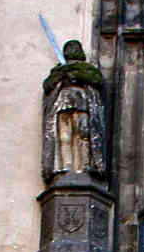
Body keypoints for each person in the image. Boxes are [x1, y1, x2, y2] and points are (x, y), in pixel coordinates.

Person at [42, 40, 106, 181]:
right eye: (70, 48)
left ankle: (84, 166)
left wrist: (77, 75)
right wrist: (62, 75)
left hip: (82, 101)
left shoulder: (87, 68)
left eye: (75, 47)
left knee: (83, 133)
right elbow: (48, 85)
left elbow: (97, 80)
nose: (72, 50)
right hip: (63, 103)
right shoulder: (59, 70)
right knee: (64, 136)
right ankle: (66, 167)